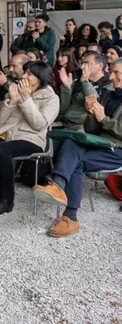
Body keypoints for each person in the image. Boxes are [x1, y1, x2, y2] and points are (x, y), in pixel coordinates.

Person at [33, 58, 122, 237]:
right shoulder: (110, 96)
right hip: (100, 144)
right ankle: (58, 187)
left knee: (75, 160)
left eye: (116, 73)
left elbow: (110, 126)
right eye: (111, 72)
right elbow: (92, 129)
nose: (111, 76)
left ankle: (69, 215)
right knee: (71, 141)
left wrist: (104, 119)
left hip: (117, 150)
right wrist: (91, 113)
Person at [0, 62, 59, 214]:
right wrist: (11, 102)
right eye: (24, 72)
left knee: (2, 149)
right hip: (9, 136)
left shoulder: (51, 98)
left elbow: (39, 124)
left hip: (32, 139)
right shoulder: (16, 91)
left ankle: (6, 198)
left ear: (40, 77)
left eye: (29, 74)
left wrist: (26, 100)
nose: (23, 76)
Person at [58, 51, 113, 127]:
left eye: (87, 63)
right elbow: (63, 110)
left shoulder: (109, 85)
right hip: (66, 123)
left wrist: (85, 81)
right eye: (82, 63)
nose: (82, 67)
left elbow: (95, 106)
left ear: (100, 66)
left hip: (85, 127)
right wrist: (67, 88)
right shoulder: (78, 83)